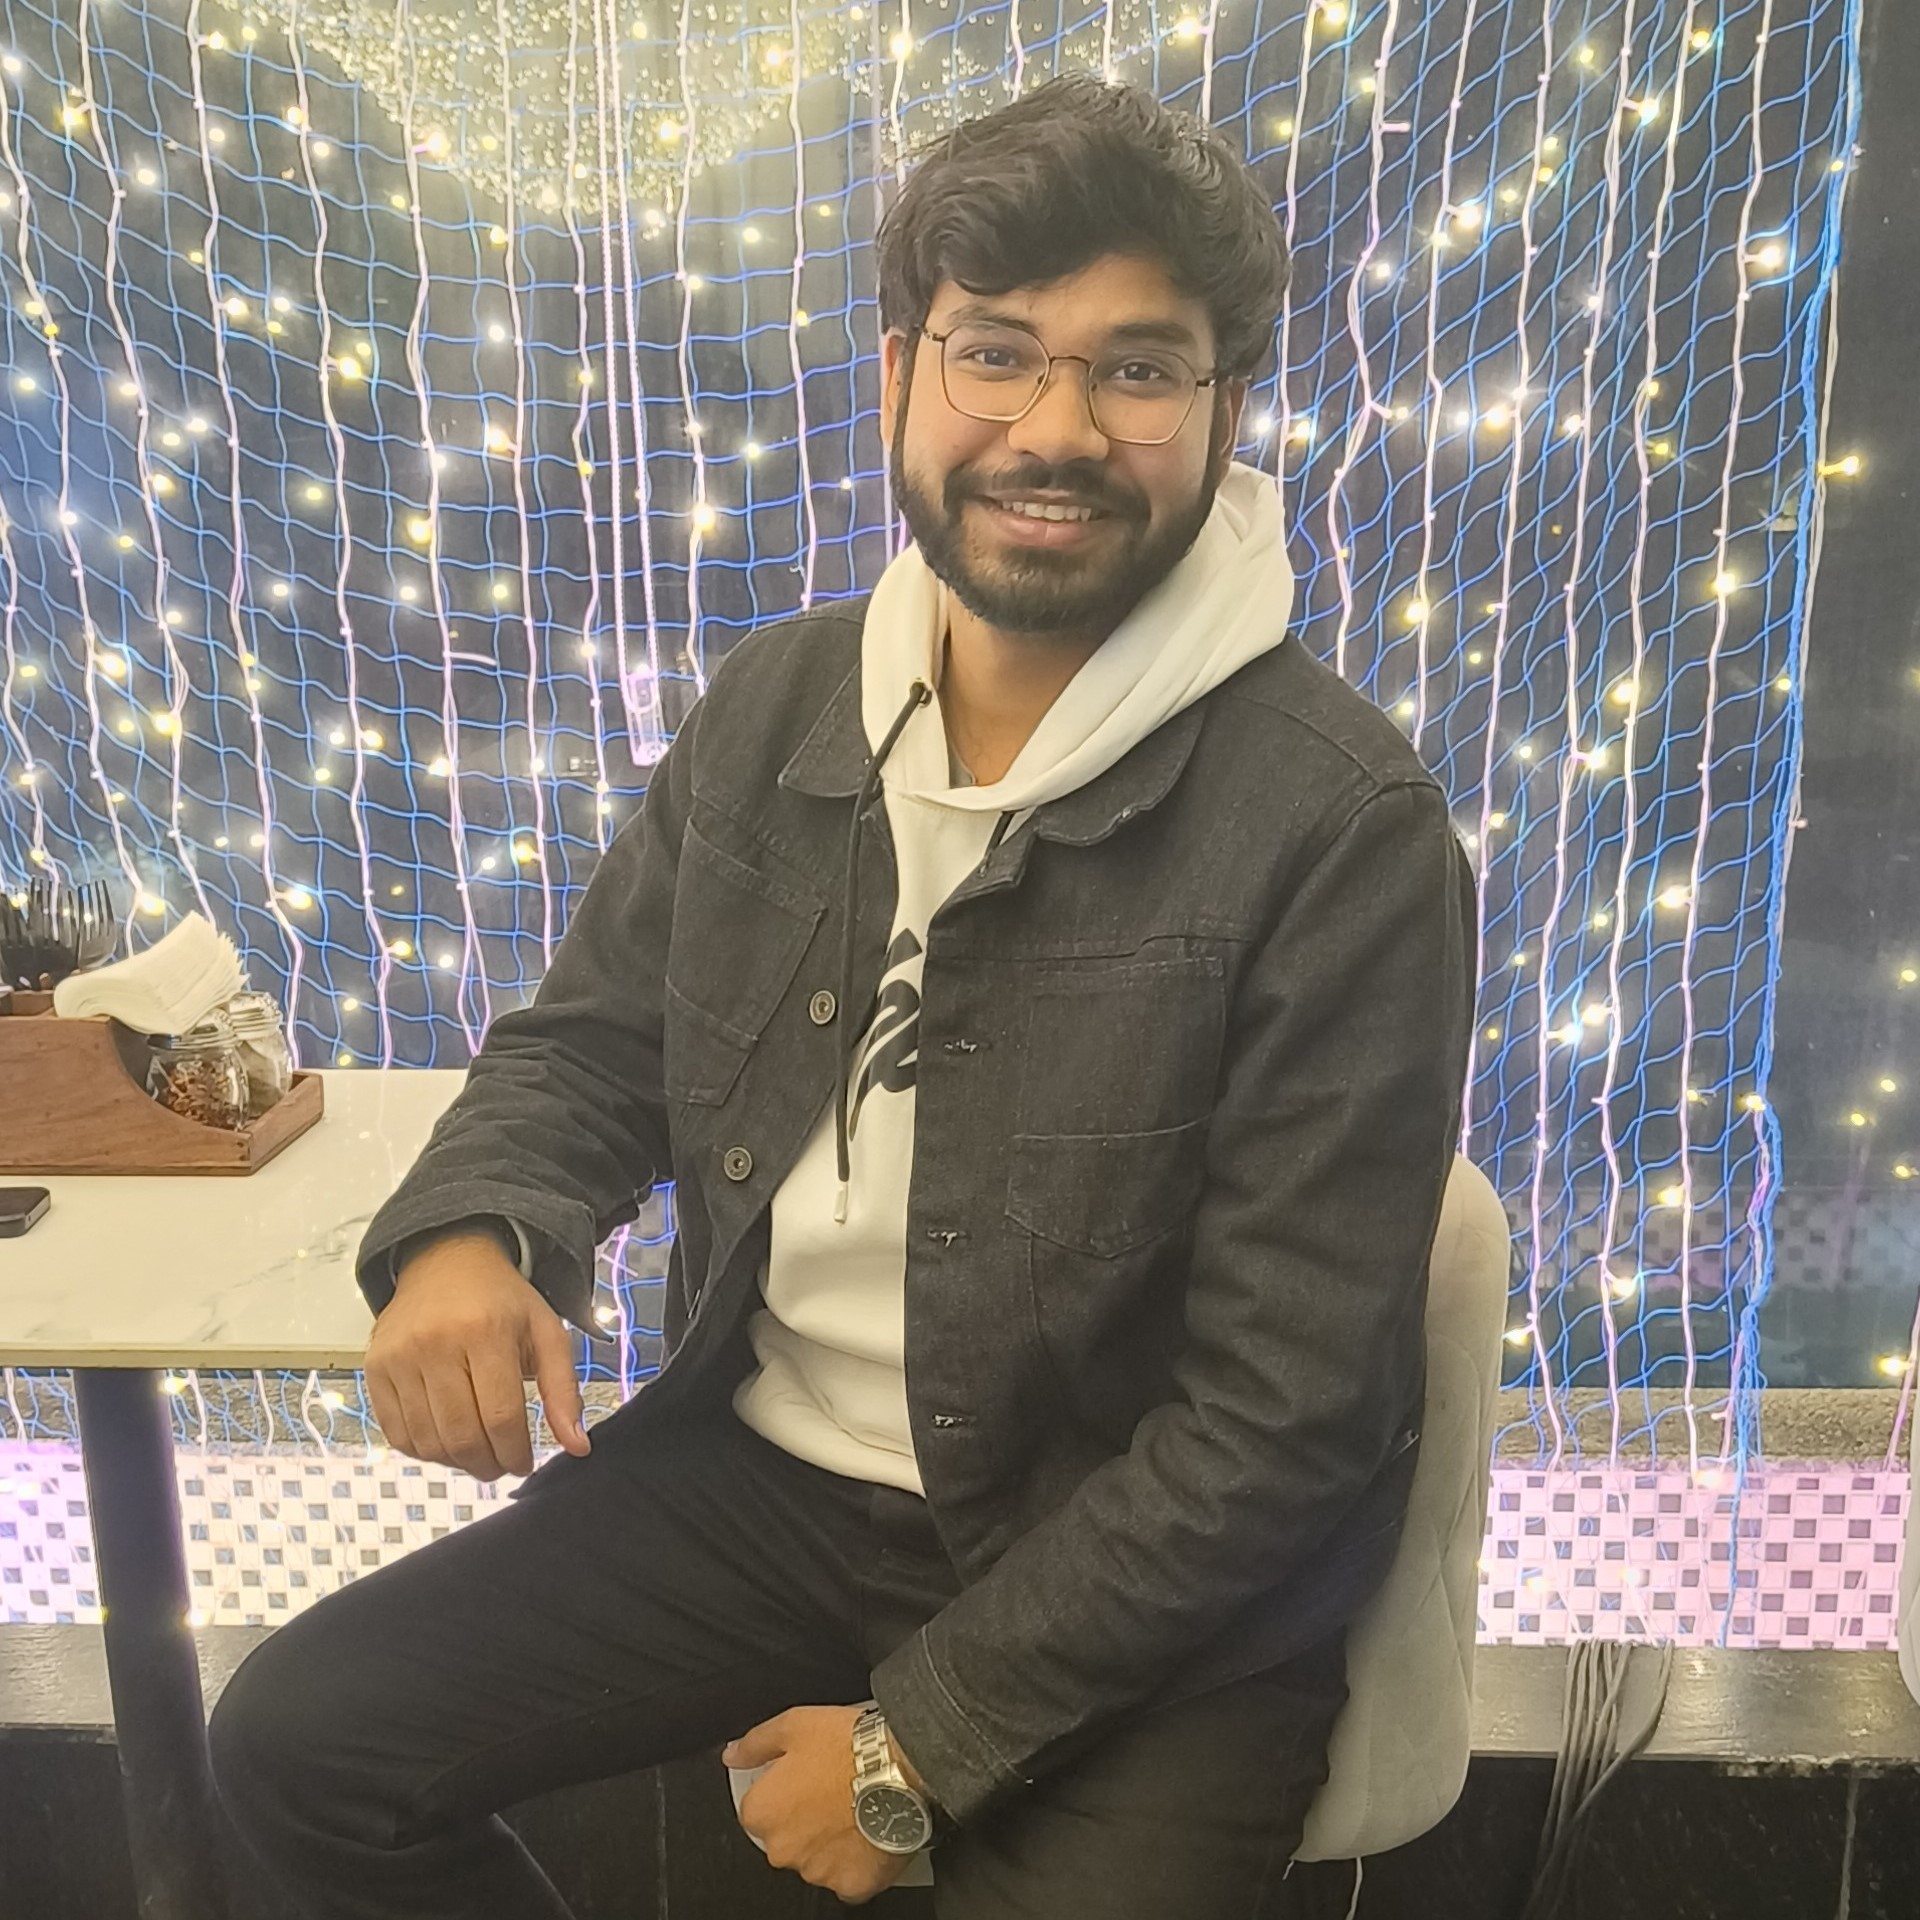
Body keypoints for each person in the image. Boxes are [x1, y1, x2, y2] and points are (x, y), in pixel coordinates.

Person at [209, 71, 1477, 1920]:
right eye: (996, 353)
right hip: (770, 1487)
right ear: (900, 375)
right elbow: (595, 1046)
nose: (1055, 428)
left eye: (1138, 369)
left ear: (1224, 410)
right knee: (302, 1749)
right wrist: (475, 1233)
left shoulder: (1344, 828)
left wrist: (917, 1749)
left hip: (1143, 1567)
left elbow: (1282, 1426)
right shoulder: (785, 706)